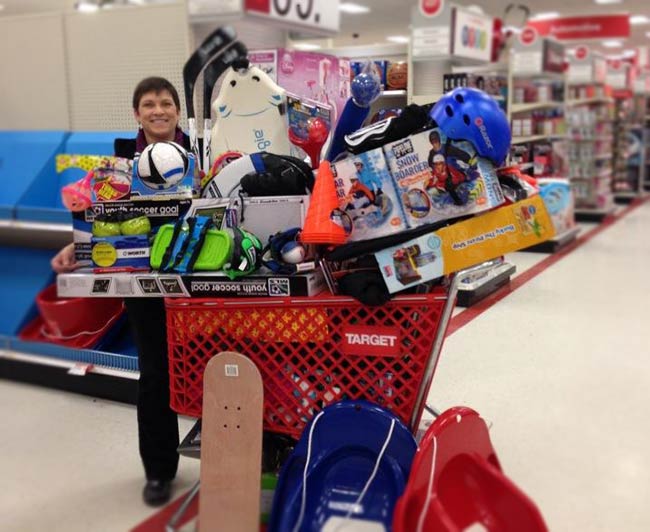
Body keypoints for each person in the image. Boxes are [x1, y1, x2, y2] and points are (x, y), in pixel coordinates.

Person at [51, 76, 189, 507]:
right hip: (141, 281)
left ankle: (233, 462)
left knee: (217, 368)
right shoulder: (120, 162)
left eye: (166, 103)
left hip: (196, 277)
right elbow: (102, 217)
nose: (158, 110)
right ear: (137, 114)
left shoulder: (199, 152)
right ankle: (159, 470)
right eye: (149, 104)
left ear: (177, 111)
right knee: (156, 376)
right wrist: (77, 247)